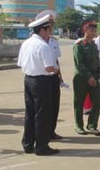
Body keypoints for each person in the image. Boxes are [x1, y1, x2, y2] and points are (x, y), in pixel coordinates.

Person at [17, 15, 60, 155]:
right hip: (42, 81)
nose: (50, 32)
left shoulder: (26, 43)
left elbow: (20, 63)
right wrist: (56, 70)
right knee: (43, 115)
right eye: (49, 29)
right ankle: (42, 146)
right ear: (42, 30)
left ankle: (28, 144)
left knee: (30, 113)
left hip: (28, 79)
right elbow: (49, 68)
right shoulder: (43, 45)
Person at [35, 10, 64, 140]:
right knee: (43, 108)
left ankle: (51, 131)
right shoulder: (36, 42)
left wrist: (60, 76)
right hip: (42, 78)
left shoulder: (53, 41)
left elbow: (56, 60)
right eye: (49, 26)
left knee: (54, 105)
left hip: (53, 77)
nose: (51, 28)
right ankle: (43, 133)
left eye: (52, 25)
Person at [73, 21, 100, 135]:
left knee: (97, 102)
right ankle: (79, 126)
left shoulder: (93, 45)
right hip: (82, 78)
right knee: (79, 103)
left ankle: (92, 125)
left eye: (95, 30)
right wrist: (89, 77)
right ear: (85, 30)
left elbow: (96, 60)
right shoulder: (79, 45)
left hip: (94, 77)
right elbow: (79, 64)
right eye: (92, 30)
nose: (94, 32)